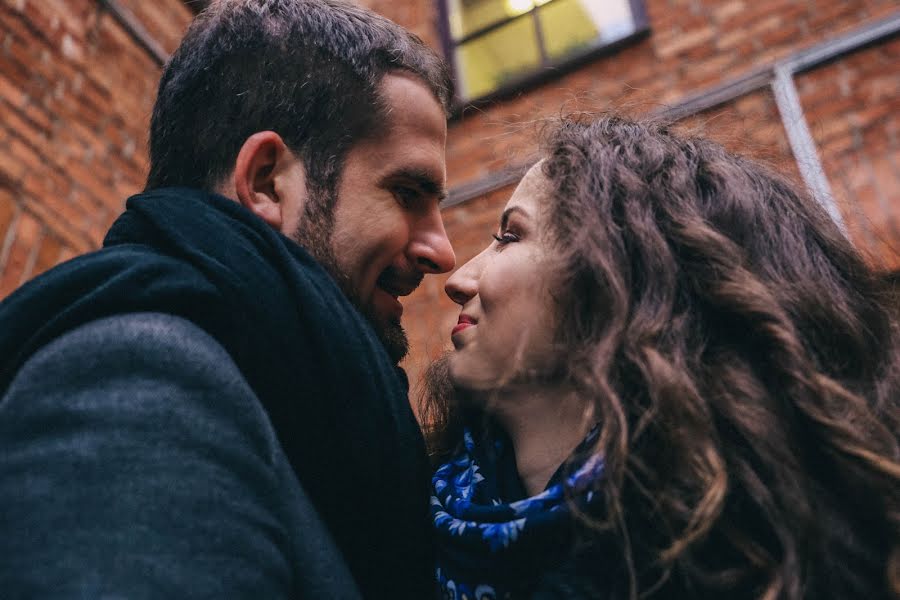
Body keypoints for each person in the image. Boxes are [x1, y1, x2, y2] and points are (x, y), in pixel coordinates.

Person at [0, 0, 455, 597]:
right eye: (407, 191)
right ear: (267, 181)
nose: (442, 252)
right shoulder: (143, 379)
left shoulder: (304, 422)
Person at [421, 115, 900, 599]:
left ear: (624, 283)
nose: (459, 278)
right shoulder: (412, 528)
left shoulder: (766, 561)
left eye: (509, 237)